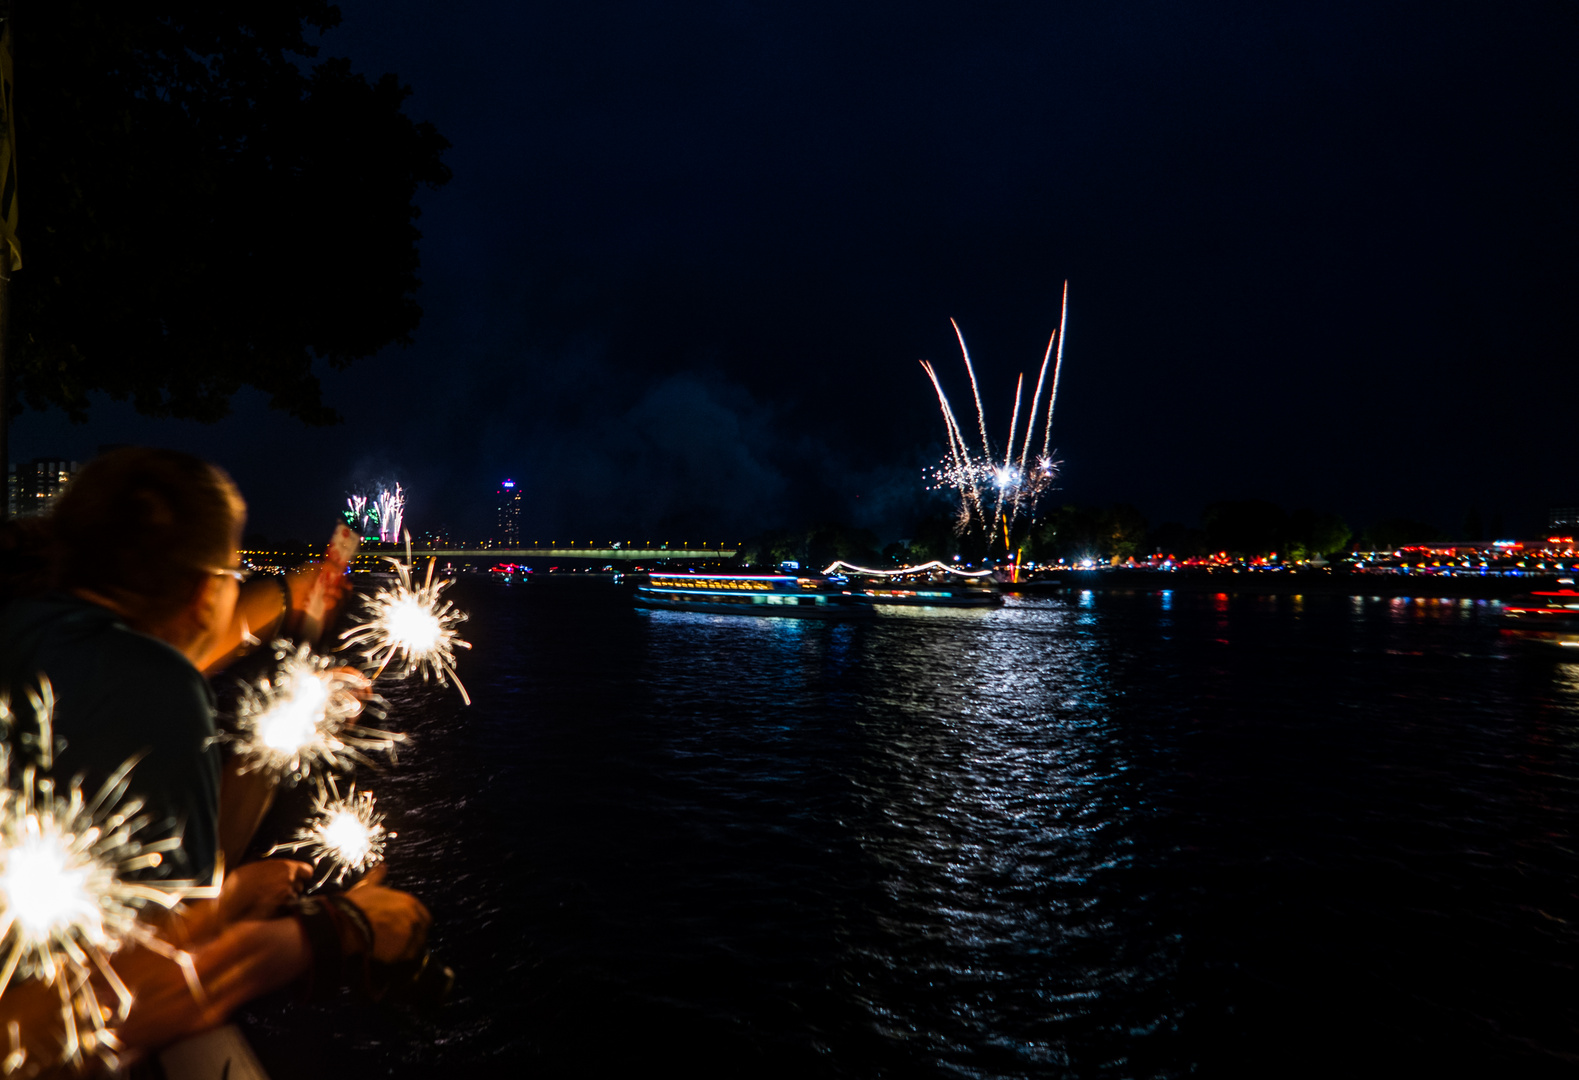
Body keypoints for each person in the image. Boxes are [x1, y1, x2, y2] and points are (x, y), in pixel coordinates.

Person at [0, 448, 430, 1071]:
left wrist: (293, 635)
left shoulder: (28, 625)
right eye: (233, 571)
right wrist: (337, 930)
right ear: (206, 591)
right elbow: (141, 990)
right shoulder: (160, 685)